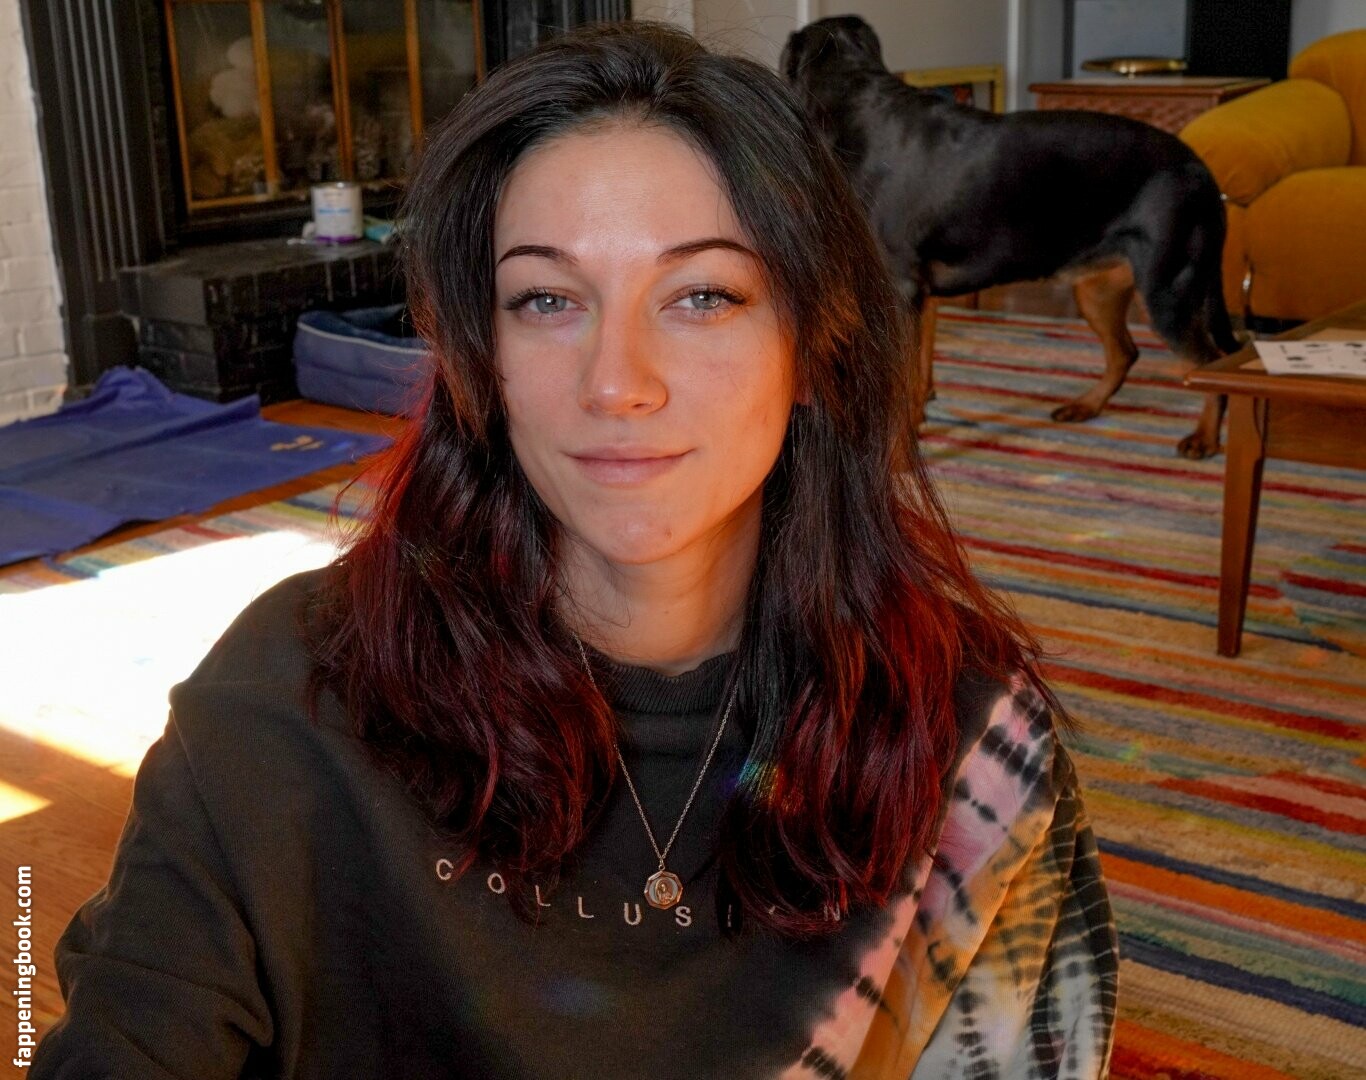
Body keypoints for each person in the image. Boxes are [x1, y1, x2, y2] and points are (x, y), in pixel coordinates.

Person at [31, 20, 1118, 1080]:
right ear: (479, 355)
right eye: (547, 299)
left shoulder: (967, 733)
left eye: (702, 296)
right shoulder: (289, 692)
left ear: (812, 346)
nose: (616, 383)